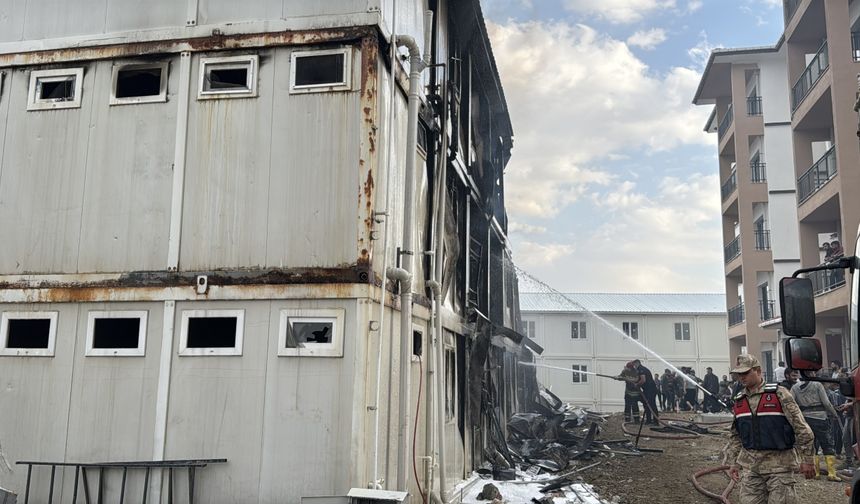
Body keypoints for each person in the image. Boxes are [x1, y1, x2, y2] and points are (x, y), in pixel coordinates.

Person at [724, 355, 815, 503]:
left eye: (745, 373)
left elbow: (801, 428)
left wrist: (808, 460)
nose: (741, 377)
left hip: (780, 467)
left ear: (758, 371)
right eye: (739, 374)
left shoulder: (779, 394)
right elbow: (735, 435)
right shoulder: (739, 400)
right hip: (752, 468)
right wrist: (733, 462)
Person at [791, 371, 840, 481]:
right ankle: (832, 473)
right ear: (811, 374)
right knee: (827, 445)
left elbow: (792, 403)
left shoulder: (795, 387)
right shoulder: (817, 385)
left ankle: (816, 473)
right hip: (820, 418)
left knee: (813, 446)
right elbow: (826, 403)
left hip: (805, 419)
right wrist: (834, 414)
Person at [633, 359, 659, 425]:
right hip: (647, 390)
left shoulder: (641, 369)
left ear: (637, 363)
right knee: (646, 404)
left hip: (650, 390)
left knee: (651, 405)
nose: (634, 366)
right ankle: (648, 420)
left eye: (634, 365)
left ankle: (655, 422)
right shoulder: (642, 369)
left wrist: (637, 384)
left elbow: (643, 380)